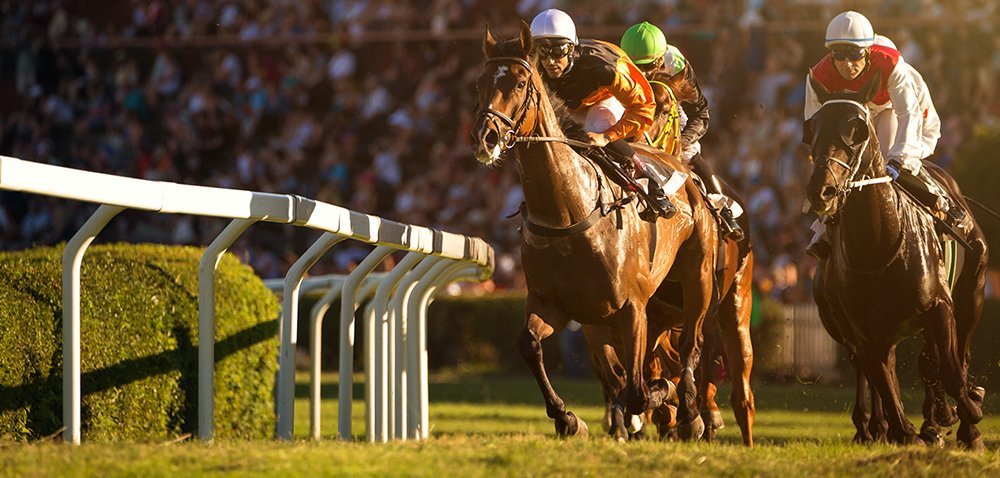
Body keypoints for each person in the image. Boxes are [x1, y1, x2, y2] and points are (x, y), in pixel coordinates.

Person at [803, 11, 962, 258]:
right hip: (860, 114)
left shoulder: (892, 65)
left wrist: (898, 161)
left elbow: (908, 113)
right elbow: (814, 126)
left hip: (901, 111)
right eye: (839, 55)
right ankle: (823, 228)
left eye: (854, 54)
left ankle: (941, 202)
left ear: (867, 51)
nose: (847, 63)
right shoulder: (818, 76)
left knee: (889, 160)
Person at [529, 8, 675, 219]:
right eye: (542, 51)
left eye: (558, 51)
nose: (550, 61)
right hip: (570, 106)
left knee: (594, 128)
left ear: (571, 48)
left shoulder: (605, 67)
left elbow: (644, 108)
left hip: (606, 98)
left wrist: (606, 137)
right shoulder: (534, 67)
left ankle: (651, 184)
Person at [620, 21, 744, 240]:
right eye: (637, 67)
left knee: (688, 152)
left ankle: (723, 209)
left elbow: (701, 112)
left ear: (661, 59)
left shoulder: (675, 63)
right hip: (632, 106)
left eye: (648, 66)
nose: (643, 73)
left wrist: (683, 140)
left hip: (668, 104)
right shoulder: (617, 63)